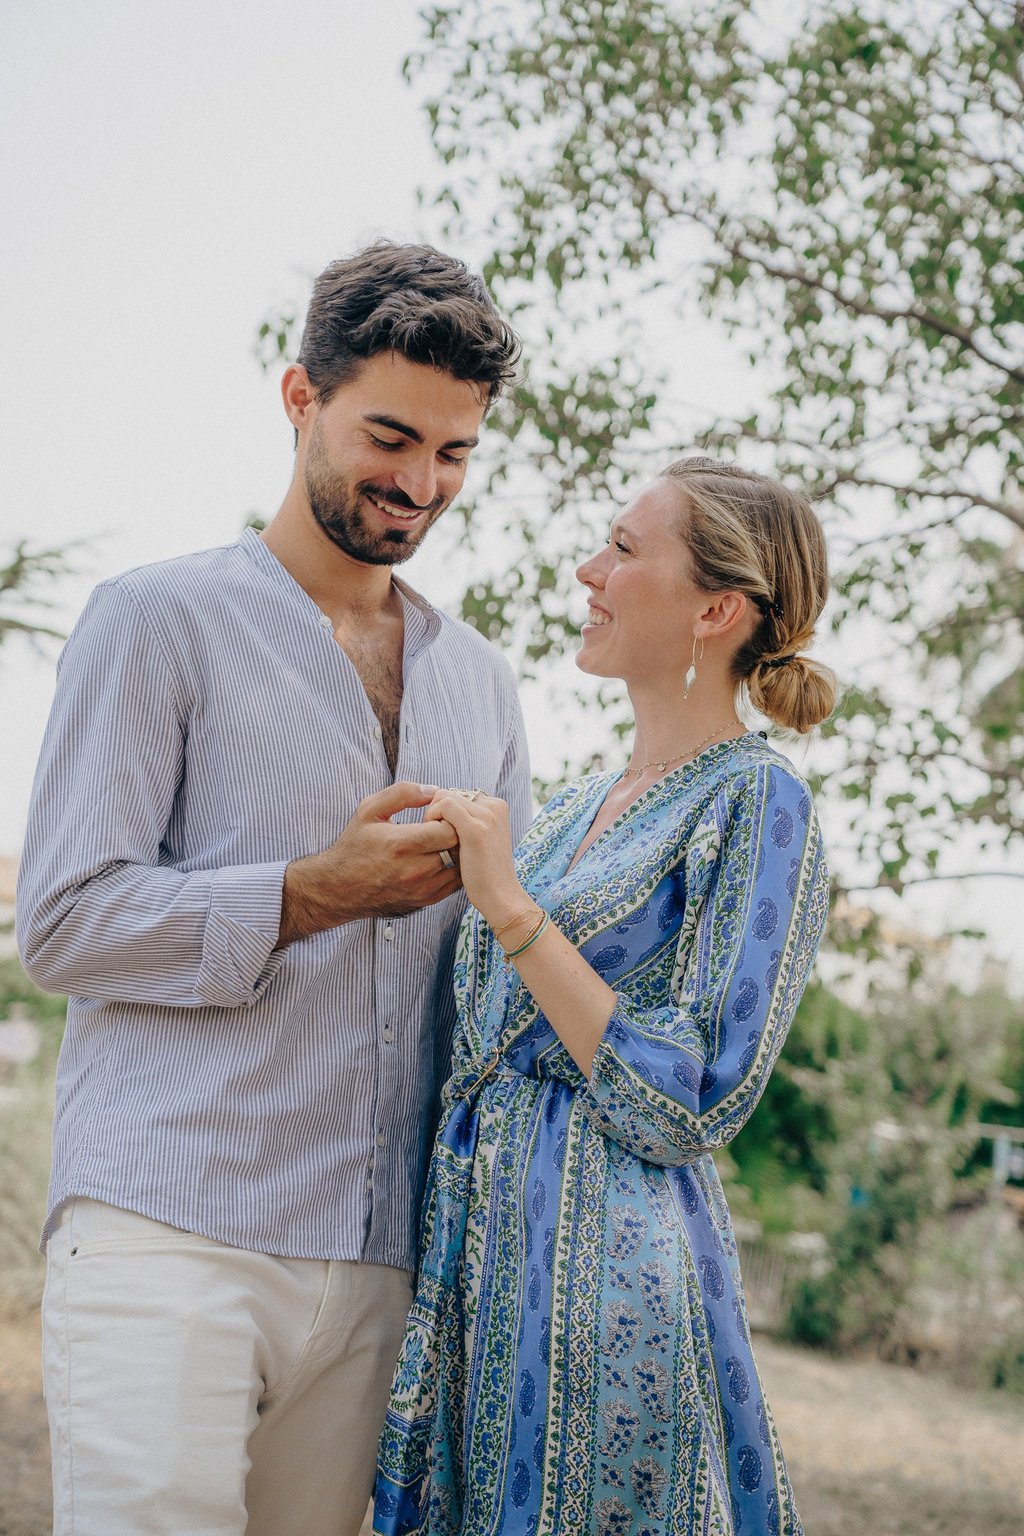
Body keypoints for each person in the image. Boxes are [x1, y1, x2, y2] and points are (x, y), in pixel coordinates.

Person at [16, 241, 531, 1536]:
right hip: (165, 1230)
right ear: (300, 400)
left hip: (379, 1262)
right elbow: (63, 924)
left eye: (456, 453)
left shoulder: (483, 685)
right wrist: (311, 891)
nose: (421, 484)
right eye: (392, 437)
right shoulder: (157, 620)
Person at [374, 457, 836, 1536]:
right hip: (478, 1267)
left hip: (602, 1289)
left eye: (624, 550)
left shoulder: (760, 802)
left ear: (715, 609)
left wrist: (508, 906)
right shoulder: (572, 806)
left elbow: (692, 1100)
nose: (588, 569)